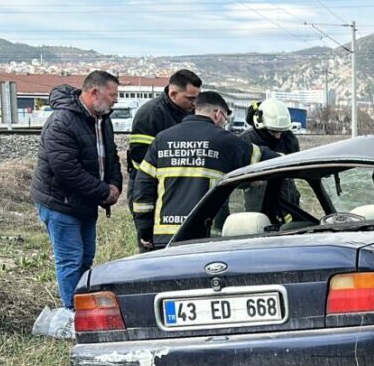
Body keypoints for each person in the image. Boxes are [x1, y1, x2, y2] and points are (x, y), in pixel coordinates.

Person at [29, 71, 122, 312]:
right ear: (94, 93)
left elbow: (110, 156)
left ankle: (82, 307)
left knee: (85, 257)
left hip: (86, 201)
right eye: (113, 95)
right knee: (70, 259)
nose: (116, 100)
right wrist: (104, 192)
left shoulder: (102, 119)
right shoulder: (62, 121)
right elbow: (66, 170)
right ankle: (74, 313)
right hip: (61, 202)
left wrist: (115, 185)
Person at [131, 91, 264, 250]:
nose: (224, 124)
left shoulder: (162, 139)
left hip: (166, 237)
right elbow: (265, 158)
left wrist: (144, 229)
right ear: (218, 114)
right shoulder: (224, 140)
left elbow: (143, 187)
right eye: (225, 120)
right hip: (203, 237)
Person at [127, 70, 202, 248]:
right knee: (152, 246)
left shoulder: (188, 113)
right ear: (173, 93)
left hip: (175, 188)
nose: (194, 103)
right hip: (149, 188)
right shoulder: (151, 114)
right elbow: (140, 160)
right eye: (190, 98)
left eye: (197, 98)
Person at [240, 98, 301, 208]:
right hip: (258, 202)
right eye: (273, 131)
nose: (278, 136)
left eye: (281, 131)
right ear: (260, 124)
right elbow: (235, 177)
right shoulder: (246, 141)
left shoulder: (289, 139)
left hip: (288, 200)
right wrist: (250, 182)